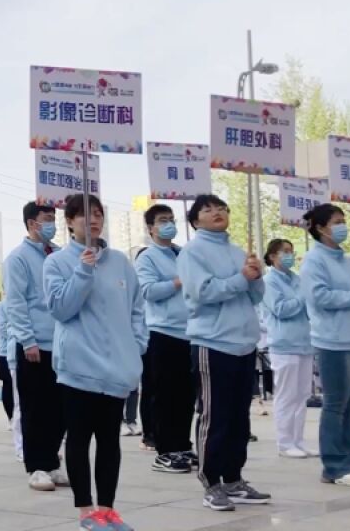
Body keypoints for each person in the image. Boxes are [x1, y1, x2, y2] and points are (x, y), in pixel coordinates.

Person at [44, 194, 146, 531]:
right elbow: (61, 308)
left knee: (109, 441)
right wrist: (83, 271)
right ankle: (86, 510)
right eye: (84, 215)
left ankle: (108, 508)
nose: (93, 220)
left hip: (116, 366)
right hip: (78, 367)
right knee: (78, 439)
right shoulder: (57, 262)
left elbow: (136, 309)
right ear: (70, 222)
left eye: (99, 214)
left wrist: (136, 345)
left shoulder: (120, 262)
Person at [177, 194, 271, 512]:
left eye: (221, 208)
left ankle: (234, 478)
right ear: (195, 221)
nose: (216, 213)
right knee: (214, 416)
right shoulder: (192, 252)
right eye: (207, 209)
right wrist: (240, 279)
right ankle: (211, 482)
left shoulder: (238, 251)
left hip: (244, 343)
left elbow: (256, 296)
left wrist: (256, 276)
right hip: (212, 343)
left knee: (238, 419)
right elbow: (202, 292)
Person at [299, 203, 350, 486]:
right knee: (335, 404)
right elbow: (320, 298)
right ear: (321, 228)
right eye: (337, 221)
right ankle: (333, 465)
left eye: (343, 220)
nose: (342, 226)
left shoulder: (346, 261)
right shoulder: (313, 261)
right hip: (332, 340)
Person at [2, 201, 70, 492]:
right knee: (35, 408)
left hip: (61, 343)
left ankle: (52, 462)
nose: (52, 223)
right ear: (32, 223)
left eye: (54, 218)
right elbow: (16, 302)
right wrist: (27, 339)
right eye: (46, 218)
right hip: (33, 344)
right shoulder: (17, 259)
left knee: (60, 408)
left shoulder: (59, 255)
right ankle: (37, 467)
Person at [133, 203, 197, 474]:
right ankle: (165, 450)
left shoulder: (183, 253)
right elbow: (148, 290)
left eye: (171, 219)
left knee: (186, 395)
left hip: (189, 332)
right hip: (162, 332)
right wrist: (178, 282)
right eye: (162, 220)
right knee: (165, 394)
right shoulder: (147, 257)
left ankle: (182, 445)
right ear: (151, 228)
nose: (168, 224)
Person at [260, 239, 315, 459]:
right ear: (272, 256)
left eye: (291, 252)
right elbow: (281, 309)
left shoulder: (298, 280)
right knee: (286, 395)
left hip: (304, 342)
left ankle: (298, 441)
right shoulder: (269, 281)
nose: (289, 255)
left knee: (302, 394)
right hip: (283, 344)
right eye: (284, 252)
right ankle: (285, 443)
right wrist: (303, 297)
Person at [0, 298, 23, 461]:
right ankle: (20, 445)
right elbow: (3, 328)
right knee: (11, 391)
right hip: (7, 352)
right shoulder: (1, 307)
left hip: (26, 351)